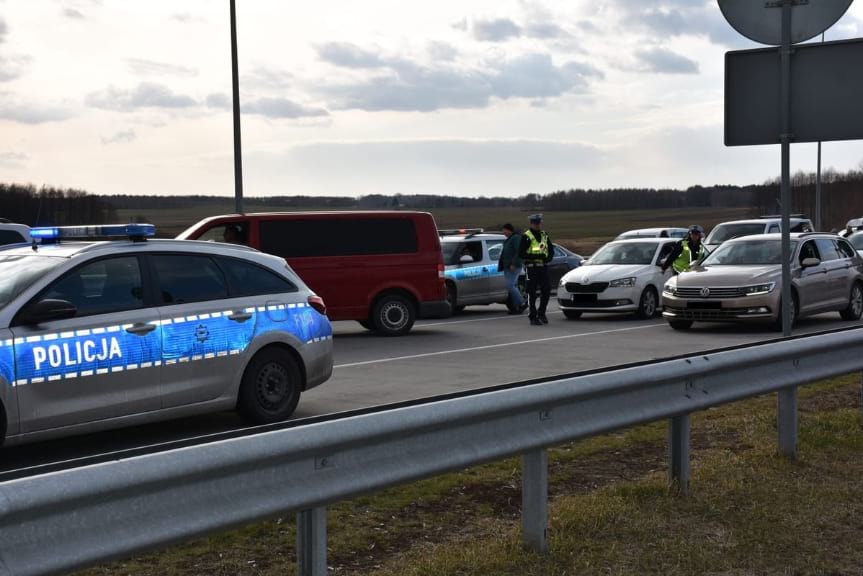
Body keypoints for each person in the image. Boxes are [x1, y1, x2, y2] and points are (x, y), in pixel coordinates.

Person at [519, 214, 553, 326]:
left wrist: (547, 258)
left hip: (543, 267)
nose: (538, 225)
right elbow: (522, 253)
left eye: (539, 223)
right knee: (531, 293)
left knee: (547, 290)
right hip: (531, 268)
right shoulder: (526, 236)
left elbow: (551, 250)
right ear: (531, 224)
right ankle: (532, 316)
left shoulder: (544, 235)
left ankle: (541, 313)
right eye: (535, 223)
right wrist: (536, 257)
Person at [498, 223, 526, 315]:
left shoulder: (516, 238)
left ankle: (521, 303)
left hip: (513, 266)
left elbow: (518, 251)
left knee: (510, 285)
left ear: (509, 230)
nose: (503, 232)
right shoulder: (509, 239)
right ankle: (516, 307)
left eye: (504, 230)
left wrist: (514, 263)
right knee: (512, 285)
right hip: (507, 266)